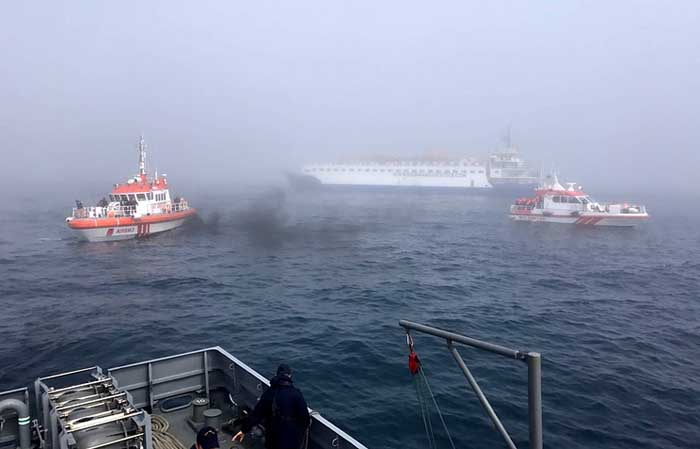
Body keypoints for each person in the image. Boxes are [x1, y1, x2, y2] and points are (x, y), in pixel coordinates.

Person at [232, 364, 310, 449]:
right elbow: (305, 419)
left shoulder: (269, 393)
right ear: (290, 376)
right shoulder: (296, 393)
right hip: (291, 438)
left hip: (273, 437)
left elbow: (256, 415)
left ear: (276, 375)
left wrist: (244, 430)